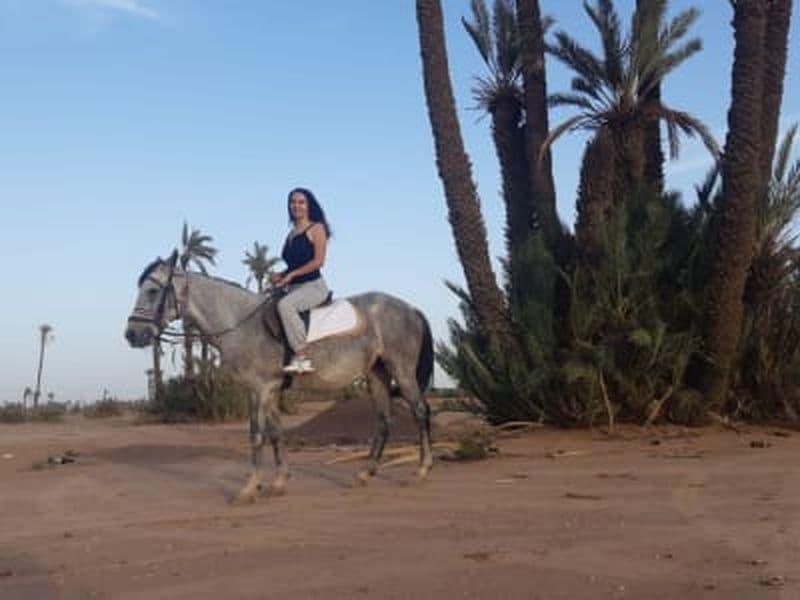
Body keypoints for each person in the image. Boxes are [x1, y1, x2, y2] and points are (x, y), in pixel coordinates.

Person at [271, 187, 332, 374]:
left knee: (285, 306)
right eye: (293, 202)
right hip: (294, 286)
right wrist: (281, 275)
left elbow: (318, 261)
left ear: (308, 205)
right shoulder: (291, 233)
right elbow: (294, 264)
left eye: (301, 202)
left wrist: (291, 275)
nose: (296, 206)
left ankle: (301, 355)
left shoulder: (316, 228)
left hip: (313, 287)